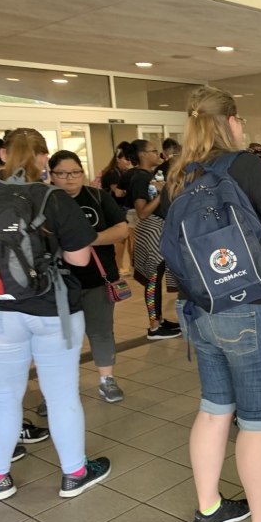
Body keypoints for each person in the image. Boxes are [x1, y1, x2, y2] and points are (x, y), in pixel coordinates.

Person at [165, 86, 261, 522]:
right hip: (254, 308)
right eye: (240, 120)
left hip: (202, 308)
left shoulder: (181, 173)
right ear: (230, 122)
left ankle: (209, 510)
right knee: (257, 423)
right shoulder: (243, 164)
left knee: (213, 409)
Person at [0, 128, 111, 501]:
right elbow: (79, 258)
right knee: (61, 393)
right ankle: (74, 473)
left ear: (4, 156)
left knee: (3, 396)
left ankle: (0, 478)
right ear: (43, 158)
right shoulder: (54, 198)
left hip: (2, 311)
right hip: (53, 309)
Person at [49, 150, 129, 403]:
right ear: (51, 175)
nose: (69, 178)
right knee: (61, 338)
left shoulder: (97, 196)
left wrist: (87, 240)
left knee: (101, 331)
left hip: (98, 278)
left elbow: (122, 229)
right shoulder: (45, 200)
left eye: (74, 172)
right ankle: (58, 389)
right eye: (61, 173)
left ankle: (107, 380)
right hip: (58, 283)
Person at [122, 139, 180, 340]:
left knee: (156, 276)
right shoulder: (140, 178)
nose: (158, 154)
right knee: (153, 279)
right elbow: (142, 212)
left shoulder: (147, 176)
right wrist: (161, 194)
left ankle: (159, 319)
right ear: (143, 155)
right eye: (154, 151)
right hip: (152, 229)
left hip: (157, 229)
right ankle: (154, 325)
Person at [100, 141, 135, 274]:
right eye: (126, 159)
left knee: (129, 238)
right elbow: (117, 192)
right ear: (118, 158)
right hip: (115, 209)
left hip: (121, 208)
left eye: (130, 159)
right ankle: (119, 265)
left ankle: (131, 265)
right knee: (121, 239)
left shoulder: (122, 172)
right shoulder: (112, 173)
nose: (128, 162)